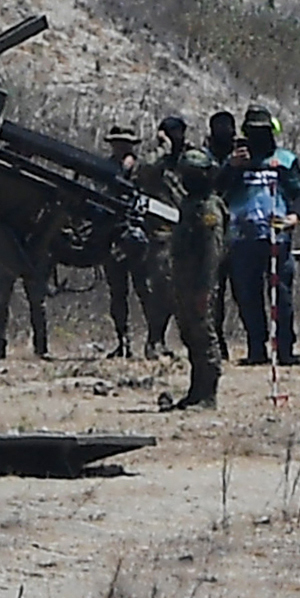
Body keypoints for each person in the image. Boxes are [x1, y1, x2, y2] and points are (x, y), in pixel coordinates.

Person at [150, 114, 224, 410]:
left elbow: (211, 252)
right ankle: (195, 391)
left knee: (204, 335)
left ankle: (208, 395)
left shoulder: (208, 210)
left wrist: (204, 290)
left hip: (199, 284)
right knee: (190, 335)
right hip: (184, 280)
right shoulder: (191, 203)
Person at [227, 117, 295, 367]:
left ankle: (285, 347)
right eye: (252, 132)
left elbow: (297, 190)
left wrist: (294, 216)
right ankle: (256, 346)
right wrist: (232, 166)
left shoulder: (285, 160)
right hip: (244, 238)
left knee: (282, 293)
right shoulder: (234, 161)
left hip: (277, 236)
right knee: (248, 294)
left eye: (262, 131)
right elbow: (219, 187)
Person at [100, 127, 168, 357]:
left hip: (141, 238)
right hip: (113, 237)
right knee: (117, 293)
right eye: (117, 143)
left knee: (146, 292)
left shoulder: (143, 168)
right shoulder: (103, 168)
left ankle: (154, 342)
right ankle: (123, 342)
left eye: (125, 143)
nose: (120, 147)